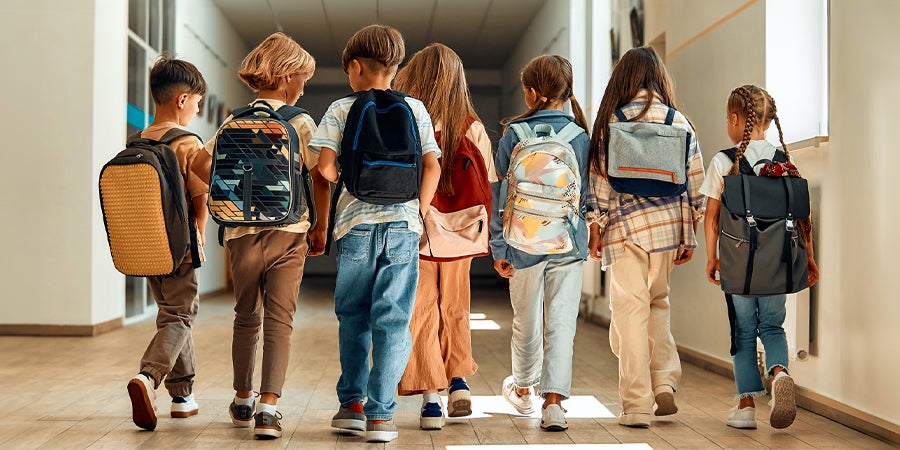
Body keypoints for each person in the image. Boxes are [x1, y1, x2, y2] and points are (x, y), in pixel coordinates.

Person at [309, 24, 441, 443]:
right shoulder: (416, 109)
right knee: (394, 318)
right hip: (403, 226)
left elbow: (325, 168)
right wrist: (416, 212)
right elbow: (433, 167)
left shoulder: (341, 108)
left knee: (353, 316)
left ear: (355, 66)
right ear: (395, 67)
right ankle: (382, 416)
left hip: (355, 225)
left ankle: (351, 405)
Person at [199, 32, 329, 440]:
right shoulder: (300, 121)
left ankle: (242, 399)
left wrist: (232, 193)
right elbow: (322, 175)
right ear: (288, 76)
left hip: (239, 234)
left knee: (245, 317)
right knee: (279, 320)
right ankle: (269, 409)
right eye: (303, 78)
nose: (304, 86)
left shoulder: (234, 120)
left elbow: (201, 164)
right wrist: (321, 225)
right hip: (288, 232)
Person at [585, 46, 705, 428]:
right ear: (659, 78)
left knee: (630, 313)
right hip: (669, 229)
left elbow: (599, 185)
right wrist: (691, 235)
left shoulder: (611, 123)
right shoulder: (678, 121)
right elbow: (696, 184)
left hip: (625, 229)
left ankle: (636, 404)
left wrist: (594, 229)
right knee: (658, 304)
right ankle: (665, 381)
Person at [701, 84, 819, 430]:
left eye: (727, 118)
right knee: (772, 325)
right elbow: (802, 220)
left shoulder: (724, 161)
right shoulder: (786, 161)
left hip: (740, 265)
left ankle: (746, 405)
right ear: (768, 121)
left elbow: (711, 218)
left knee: (743, 328)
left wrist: (712, 258)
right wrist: (809, 260)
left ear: (736, 119)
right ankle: (780, 373)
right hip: (779, 262)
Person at [394, 43, 495, 429]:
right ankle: (459, 383)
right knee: (455, 305)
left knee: (420, 310)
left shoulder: (409, 119)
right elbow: (489, 181)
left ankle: (431, 399)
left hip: (418, 229)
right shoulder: (472, 125)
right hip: (460, 233)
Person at [491, 54, 591, 432]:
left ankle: (523, 387)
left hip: (523, 243)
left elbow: (501, 197)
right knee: (562, 322)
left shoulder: (514, 135)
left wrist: (499, 249)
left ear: (531, 93)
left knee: (526, 320)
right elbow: (588, 196)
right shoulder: (581, 137)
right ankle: (554, 403)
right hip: (568, 241)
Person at [126, 54, 209, 431]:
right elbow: (199, 196)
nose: (197, 108)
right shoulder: (186, 142)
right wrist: (201, 232)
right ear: (181, 100)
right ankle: (148, 377)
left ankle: (182, 396)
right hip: (179, 245)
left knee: (172, 314)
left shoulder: (136, 140)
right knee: (181, 314)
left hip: (143, 242)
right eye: (197, 102)